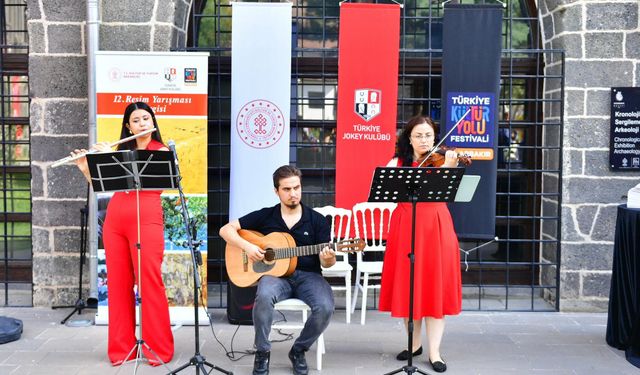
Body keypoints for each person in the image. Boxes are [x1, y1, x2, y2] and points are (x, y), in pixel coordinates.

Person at [71, 101, 174, 366]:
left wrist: (108, 156)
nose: (142, 123)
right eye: (136, 120)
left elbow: (152, 181)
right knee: (117, 285)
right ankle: (122, 348)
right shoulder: (123, 149)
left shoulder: (160, 150)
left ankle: (157, 349)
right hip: (116, 221)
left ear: (153, 122)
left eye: (146, 118)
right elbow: (101, 186)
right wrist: (87, 166)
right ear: (127, 126)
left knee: (150, 283)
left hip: (146, 220)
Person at [219, 165, 336, 375]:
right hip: (274, 276)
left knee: (326, 307)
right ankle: (262, 351)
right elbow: (225, 230)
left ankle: (299, 350)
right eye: (287, 189)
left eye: (297, 188)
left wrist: (329, 259)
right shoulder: (266, 216)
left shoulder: (317, 220)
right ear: (276, 191)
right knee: (263, 296)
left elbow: (326, 263)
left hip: (309, 276)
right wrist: (248, 247)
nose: (293, 194)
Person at [379, 115, 462, 373]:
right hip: (406, 227)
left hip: (436, 226)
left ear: (435, 137)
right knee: (409, 286)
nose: (424, 140)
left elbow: (449, 193)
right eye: (418, 135)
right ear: (409, 138)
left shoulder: (445, 159)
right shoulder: (398, 162)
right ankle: (414, 344)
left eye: (428, 135)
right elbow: (385, 188)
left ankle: (435, 352)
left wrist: (449, 166)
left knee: (434, 287)